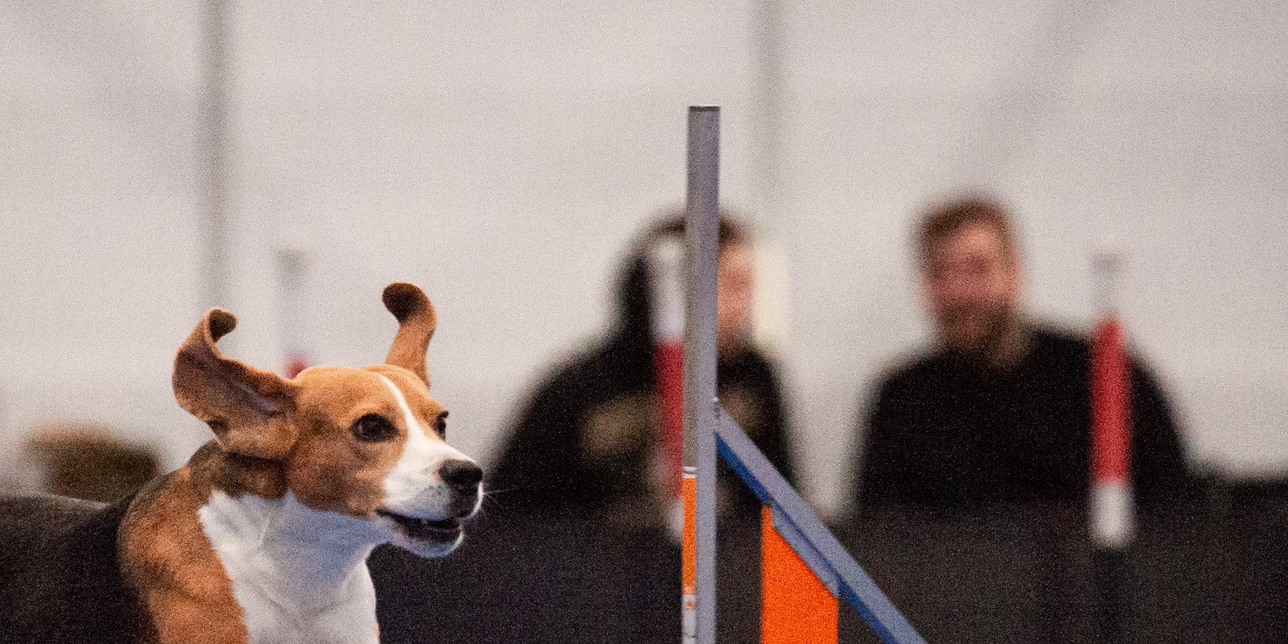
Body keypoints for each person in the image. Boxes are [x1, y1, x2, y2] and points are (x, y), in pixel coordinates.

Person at [852, 197, 1189, 513]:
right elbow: (876, 542)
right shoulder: (902, 402)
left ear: (1014, 273)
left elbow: (1175, 522)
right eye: (941, 273)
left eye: (977, 269)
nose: (960, 292)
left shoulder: (1106, 377)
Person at [491, 212, 796, 524]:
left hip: (725, 565)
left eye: (748, 287)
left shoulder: (753, 378)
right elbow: (509, 521)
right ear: (674, 290)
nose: (745, 307)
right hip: (602, 566)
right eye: (732, 286)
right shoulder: (577, 390)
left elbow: (785, 512)